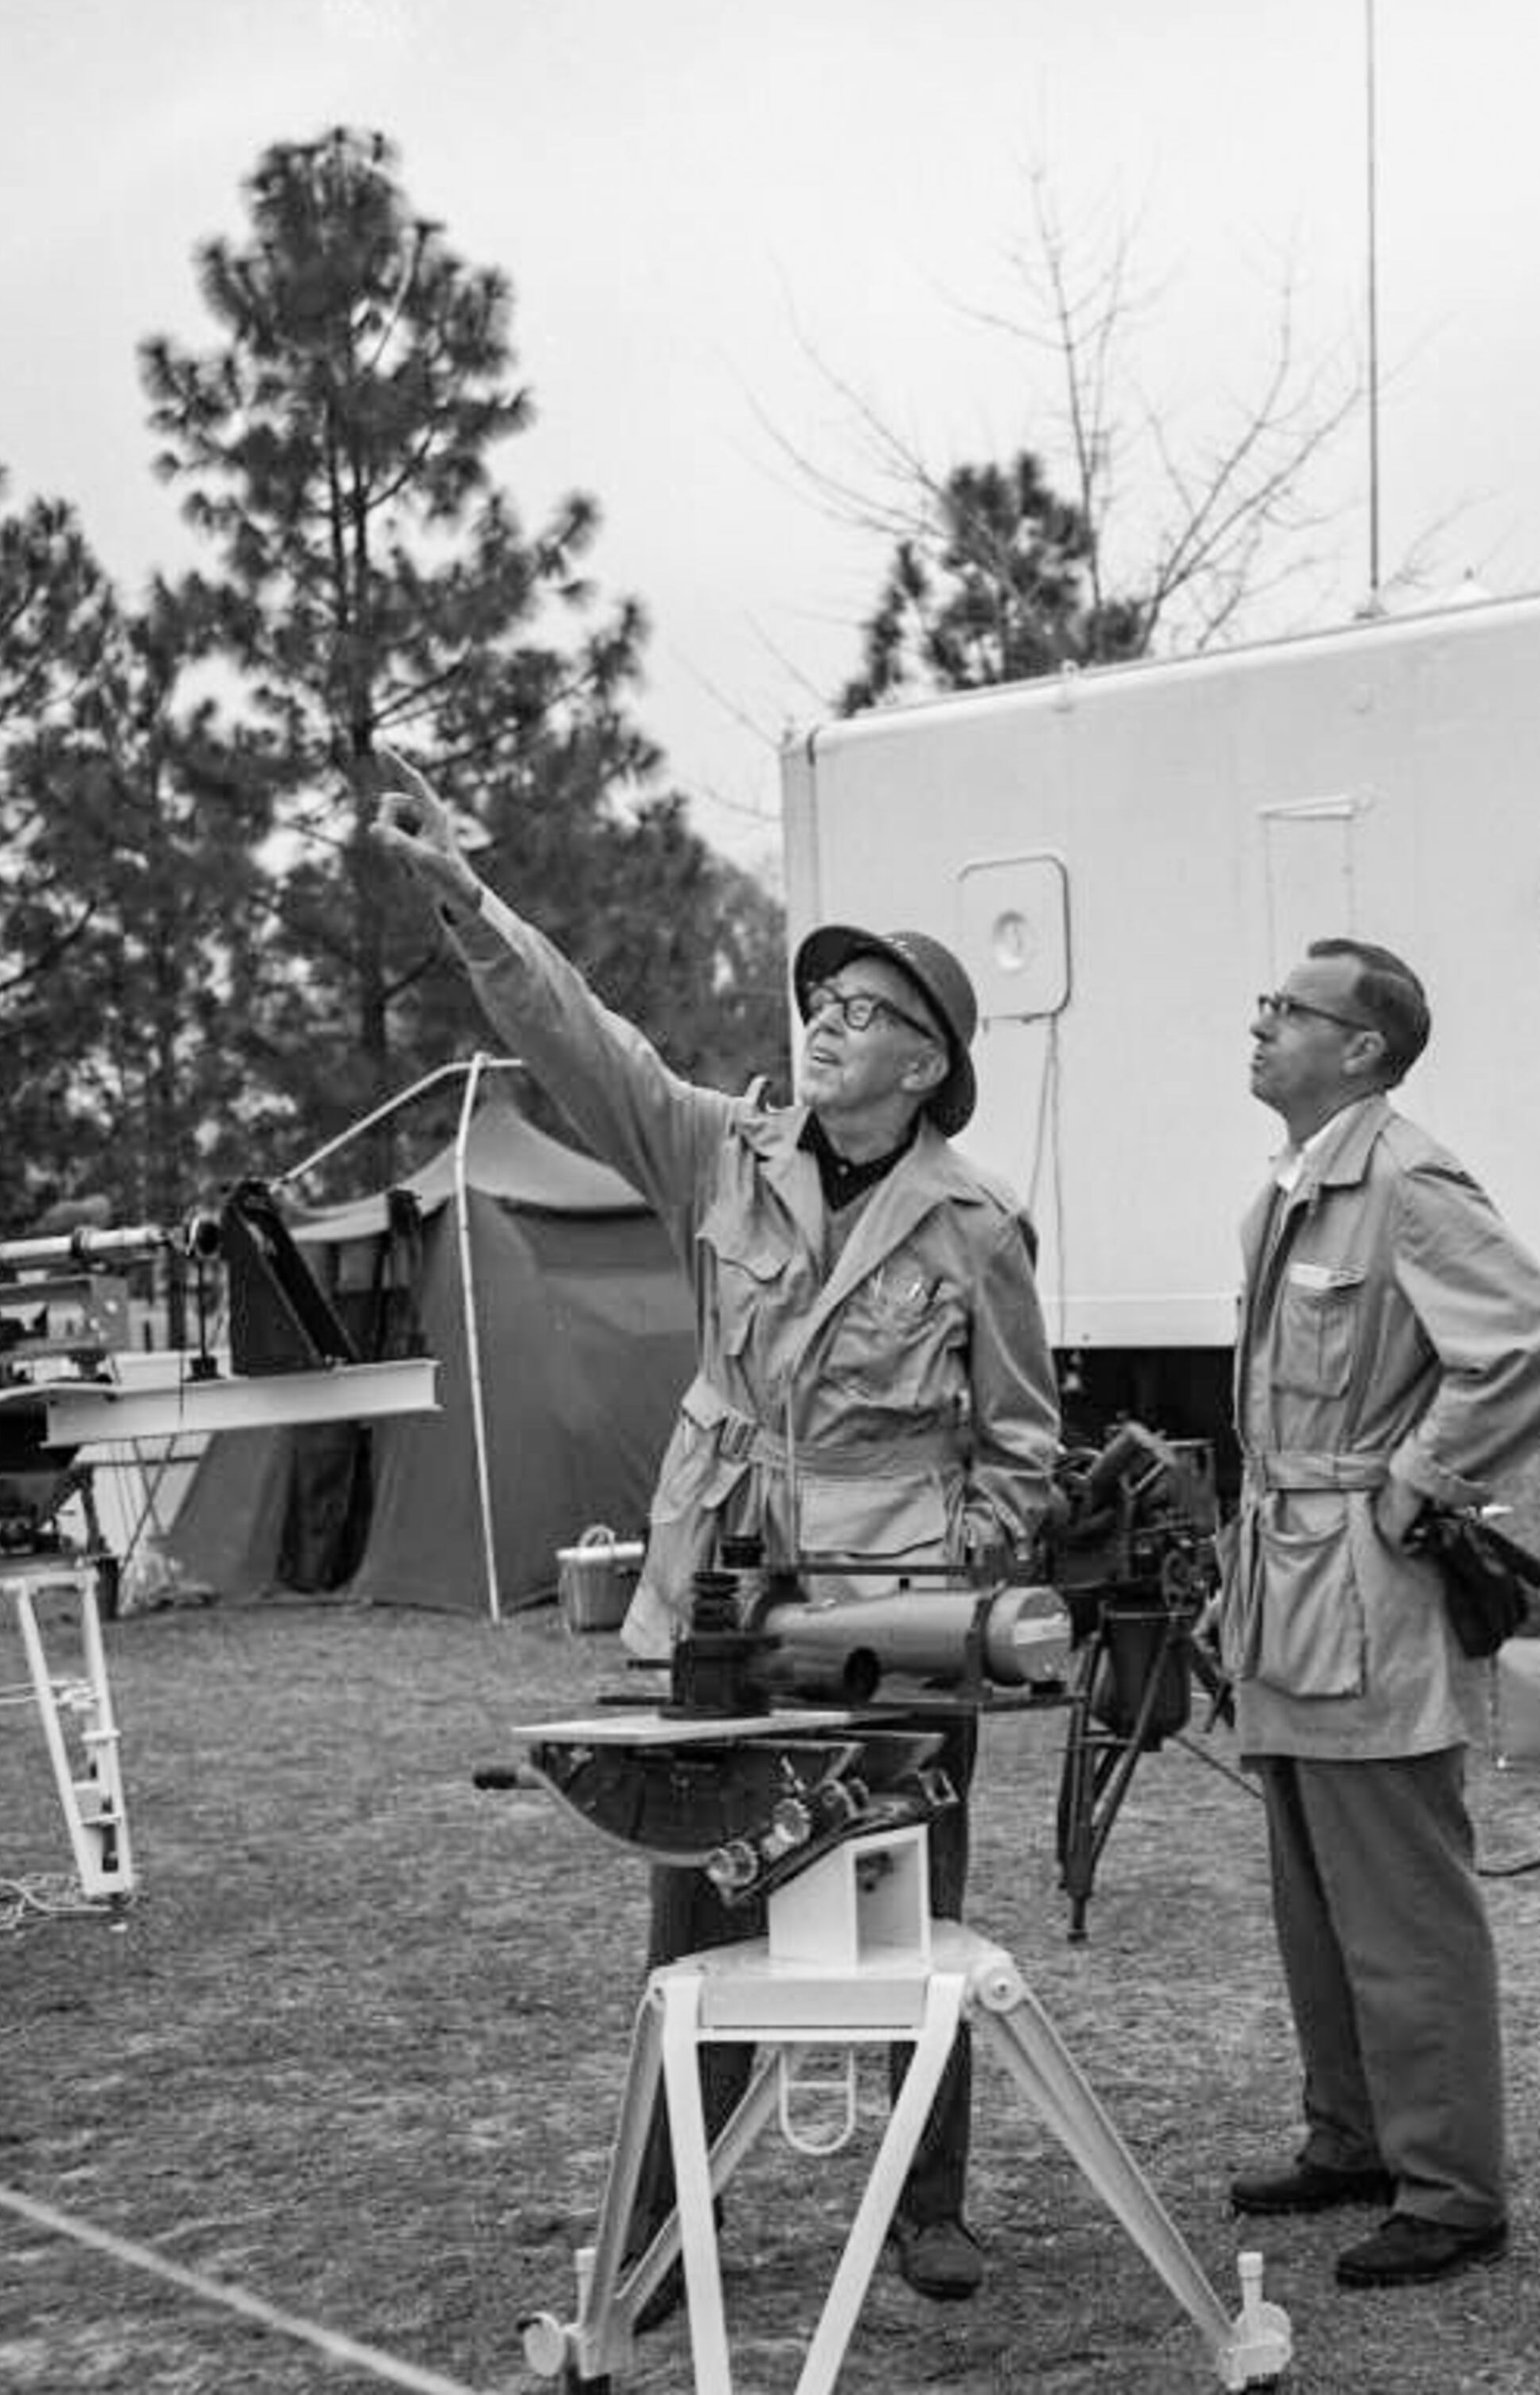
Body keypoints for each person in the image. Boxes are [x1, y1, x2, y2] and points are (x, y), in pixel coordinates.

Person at [369, 754, 1059, 2306]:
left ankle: (925, 2202)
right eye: (824, 1001)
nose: (829, 1023)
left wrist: (962, 1574)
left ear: (927, 1064)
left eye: (869, 1011)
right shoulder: (717, 1151)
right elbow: (580, 1040)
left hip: (892, 1609)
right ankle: (677, 2213)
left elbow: (1023, 1440)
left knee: (905, 1897)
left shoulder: (975, 1224)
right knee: (700, 1902)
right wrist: (467, 897)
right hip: (726, 1590)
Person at [1220, 937, 1540, 2291]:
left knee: (1400, 1899)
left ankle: (1450, 2187)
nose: (1261, 1024)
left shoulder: (1407, 1183)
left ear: (1363, 1048)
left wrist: (1420, 1480)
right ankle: (1356, 2134)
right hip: (1285, 1575)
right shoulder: (1295, 1189)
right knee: (1315, 1888)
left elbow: (1532, 1337)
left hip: (1358, 1584)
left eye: (1289, 1009)